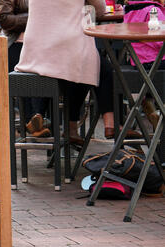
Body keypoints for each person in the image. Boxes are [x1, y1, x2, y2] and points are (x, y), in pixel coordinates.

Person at [15, 0, 141, 145]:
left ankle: (56, 121)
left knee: (84, 65)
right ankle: (106, 123)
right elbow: (100, 9)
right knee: (94, 67)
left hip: (34, 51)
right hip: (65, 46)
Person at [0, 0, 51, 138]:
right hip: (18, 43)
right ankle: (33, 119)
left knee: (44, 64)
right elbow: (4, 19)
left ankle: (35, 119)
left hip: (47, 45)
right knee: (24, 68)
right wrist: (35, 18)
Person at [124, 0, 165, 131]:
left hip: (138, 63)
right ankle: (161, 109)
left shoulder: (129, 11)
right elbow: (160, 41)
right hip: (157, 62)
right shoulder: (154, 11)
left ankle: (148, 101)